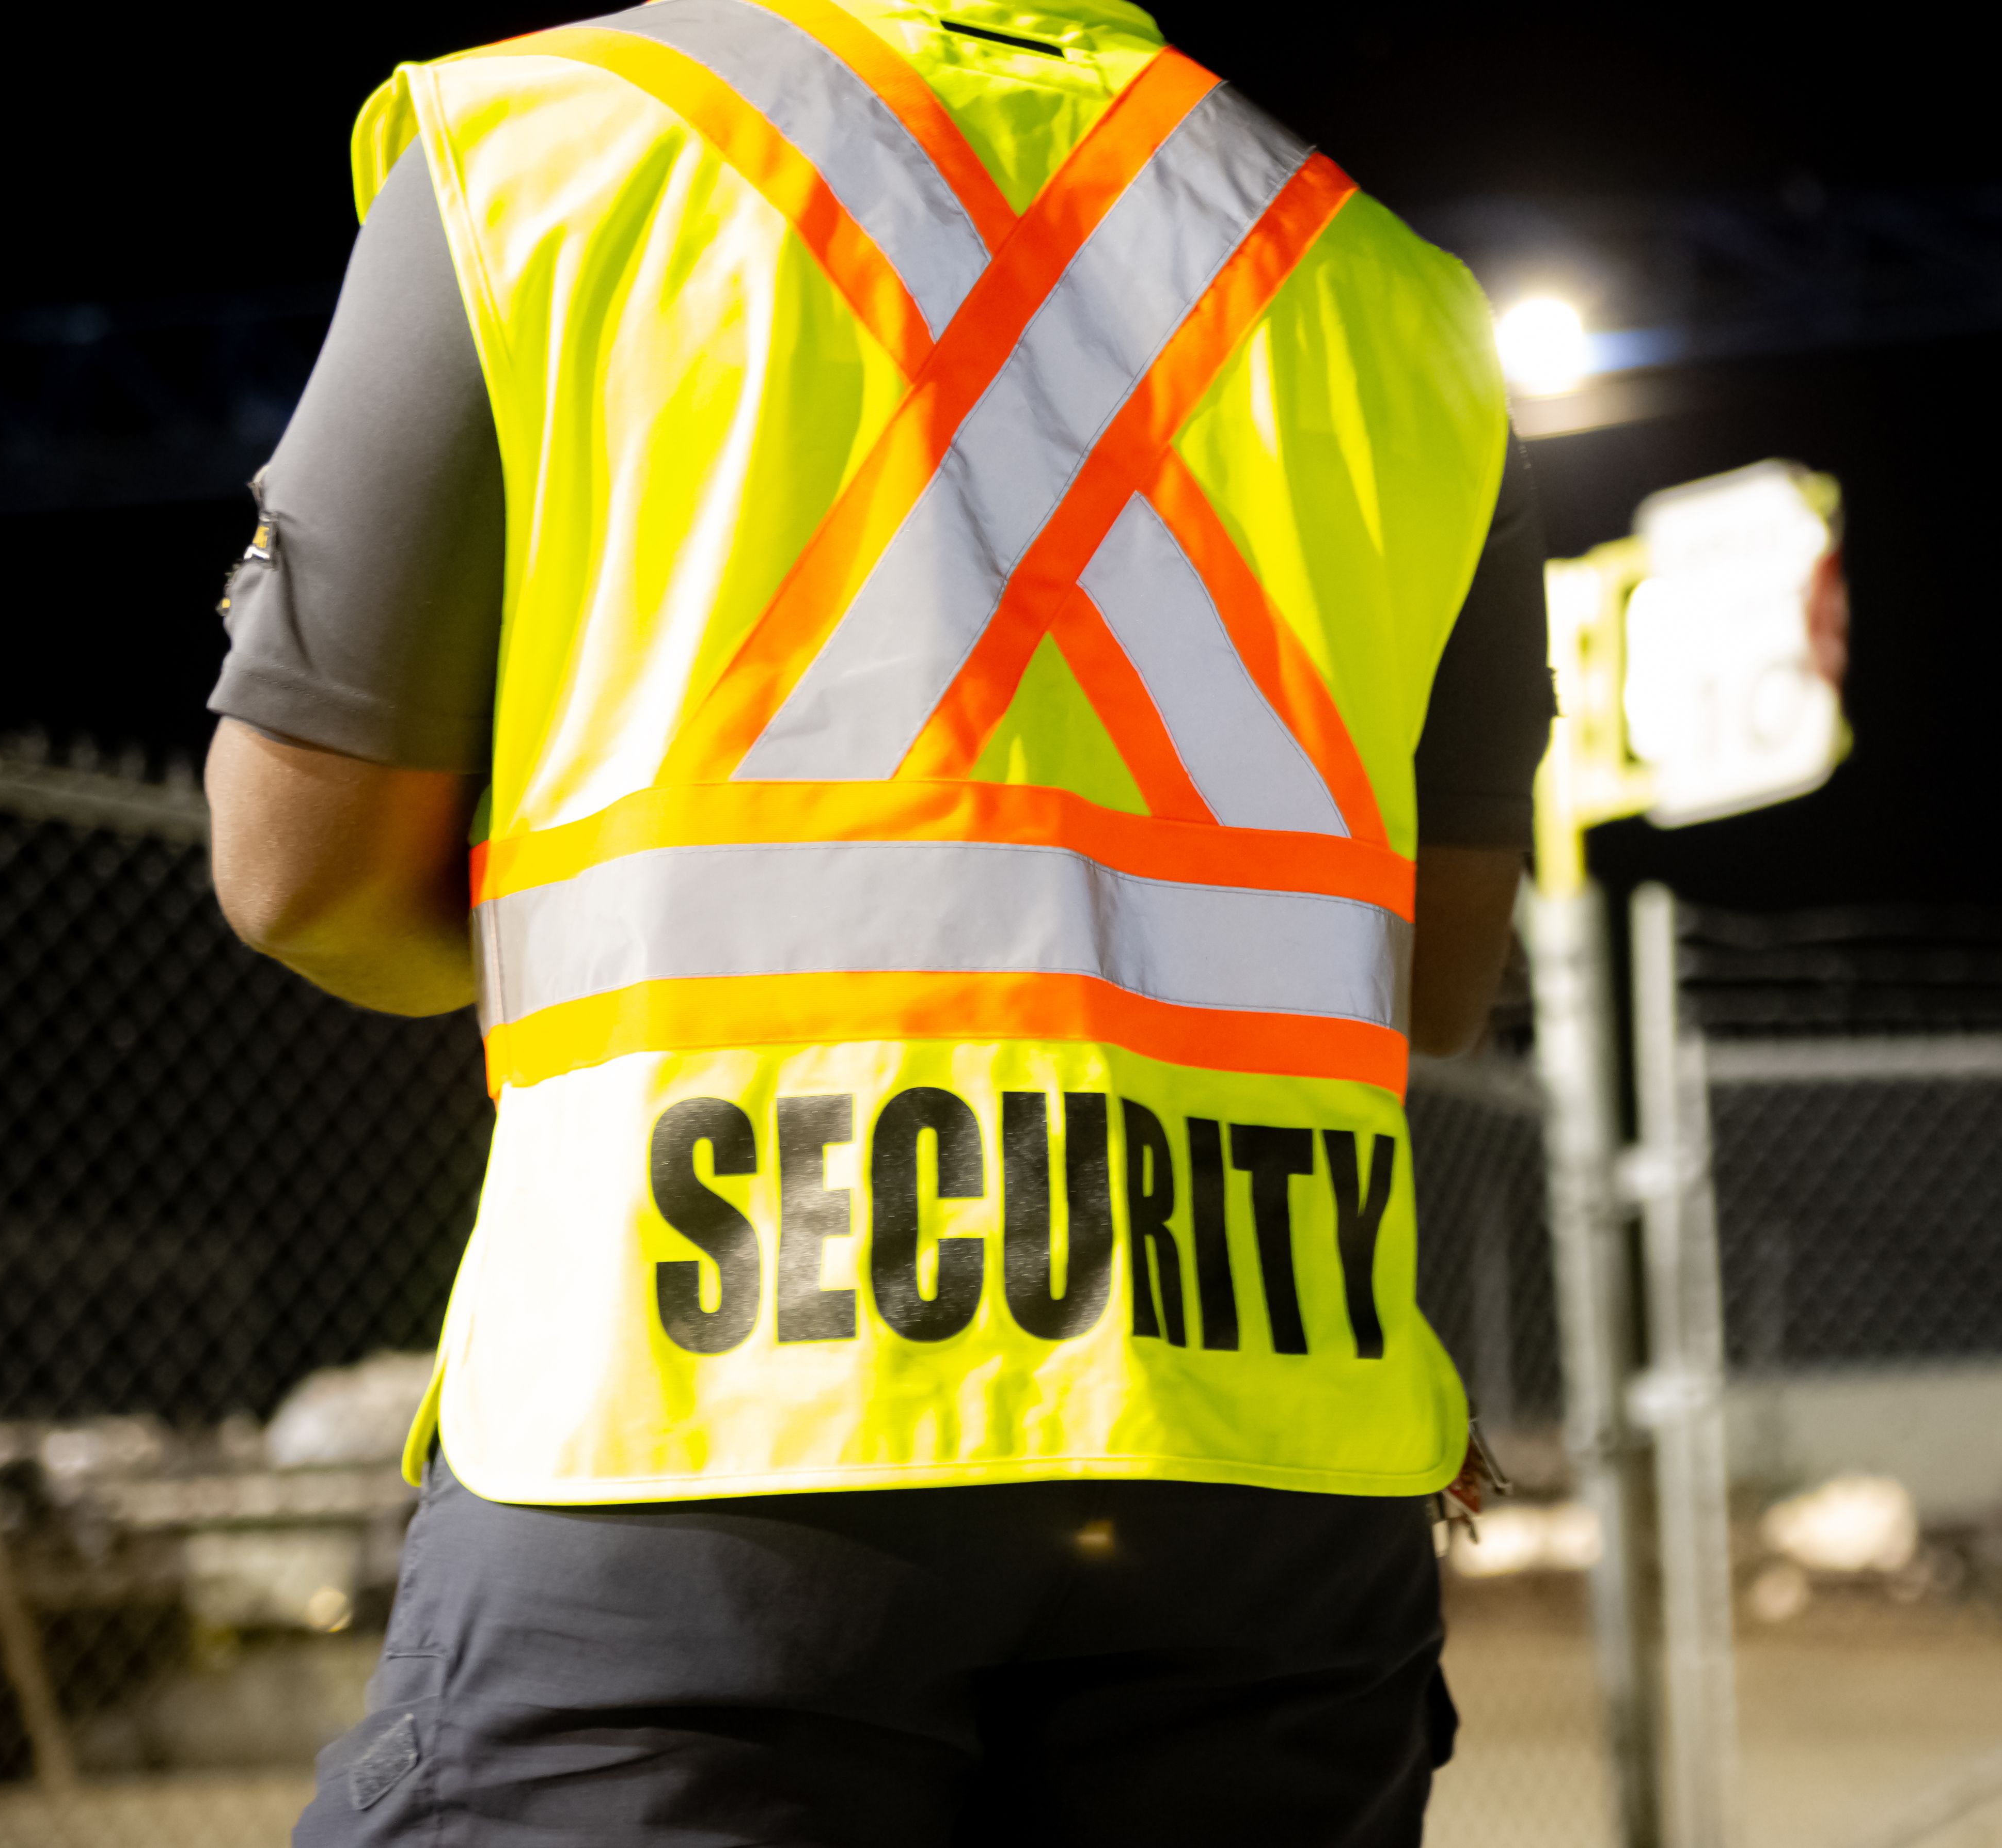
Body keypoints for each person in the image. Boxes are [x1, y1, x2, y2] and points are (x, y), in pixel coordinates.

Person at [201, 2, 1552, 1841]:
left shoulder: (551, 145)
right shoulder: (1386, 285)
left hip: (690, 1440)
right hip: (1265, 1466)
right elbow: (1438, 974)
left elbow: (298, 868)